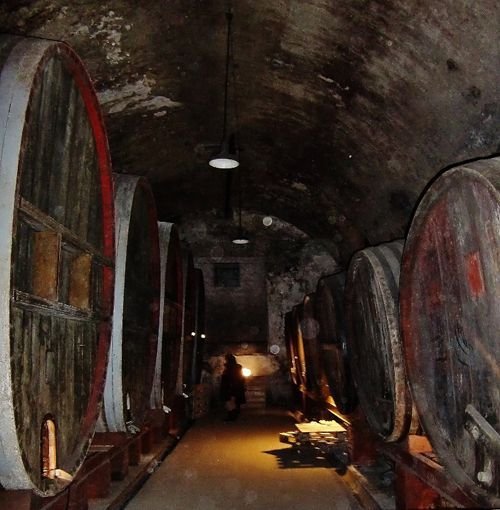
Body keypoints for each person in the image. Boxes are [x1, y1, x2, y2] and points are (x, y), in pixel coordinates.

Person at [220, 353, 246, 421]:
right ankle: (233, 416)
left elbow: (230, 378)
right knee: (234, 402)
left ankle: (232, 416)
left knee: (230, 402)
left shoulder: (230, 368)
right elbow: (241, 378)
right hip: (235, 387)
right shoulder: (237, 367)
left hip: (230, 387)